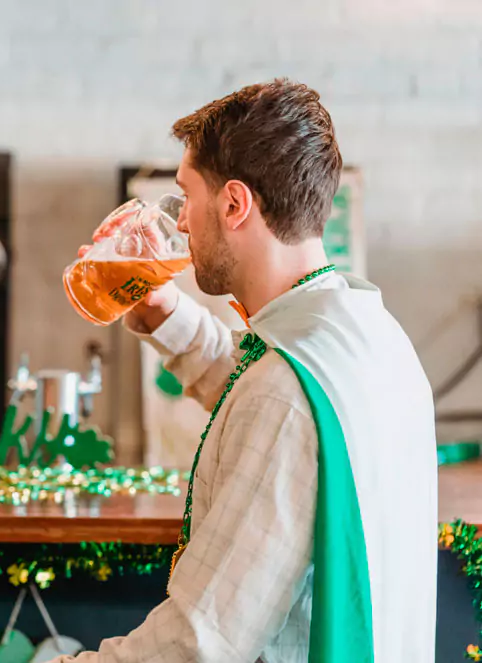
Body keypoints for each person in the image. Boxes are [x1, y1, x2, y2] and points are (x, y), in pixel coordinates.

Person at [52, 79, 436, 662]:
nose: (179, 224)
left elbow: (198, 644)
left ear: (234, 204)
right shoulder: (364, 333)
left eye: (186, 197)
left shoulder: (282, 395)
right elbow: (254, 380)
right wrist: (164, 315)